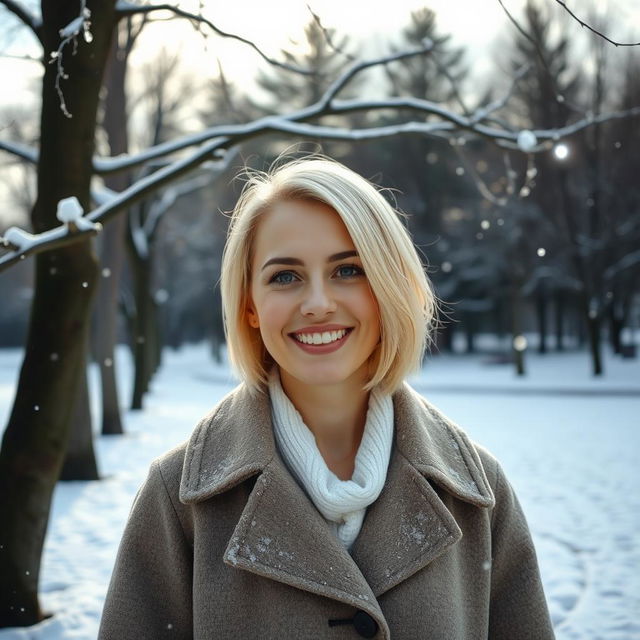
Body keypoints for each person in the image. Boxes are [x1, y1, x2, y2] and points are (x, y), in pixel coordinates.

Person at [99, 156, 555, 639]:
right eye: (285, 276)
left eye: (349, 270)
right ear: (250, 305)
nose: (317, 303)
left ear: (388, 286)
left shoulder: (479, 493)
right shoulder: (178, 501)